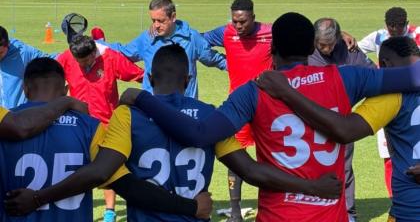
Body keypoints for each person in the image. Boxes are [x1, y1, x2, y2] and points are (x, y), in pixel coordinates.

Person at [119, 12, 420, 221]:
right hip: (330, 213)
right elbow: (413, 77)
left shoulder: (255, 92)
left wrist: (142, 97)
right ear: (312, 47)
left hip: (279, 215)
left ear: (272, 49)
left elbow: (199, 134)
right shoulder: (347, 78)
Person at [5, 45, 343, 222]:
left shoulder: (127, 115)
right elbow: (252, 172)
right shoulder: (212, 118)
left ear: (149, 78)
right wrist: (312, 186)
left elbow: (112, 177)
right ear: (188, 79)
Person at [1, 57, 213, 221]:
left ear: (25, 88)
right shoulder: (90, 128)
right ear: (66, 90)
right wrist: (190, 207)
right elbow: (124, 184)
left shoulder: (6, 127)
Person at [255, 36, 420, 222]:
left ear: (384, 63)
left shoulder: (392, 95)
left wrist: (287, 93)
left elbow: (345, 130)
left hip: (410, 211)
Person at [56, 34, 144, 220]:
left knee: (107, 169)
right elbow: (52, 78)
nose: (82, 65)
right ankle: (74, 208)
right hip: (77, 126)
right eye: (78, 62)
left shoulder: (111, 57)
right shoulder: (66, 58)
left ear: (93, 53)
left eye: (86, 60)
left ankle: (109, 212)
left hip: (106, 125)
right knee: (75, 170)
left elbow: (139, 75)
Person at [202, 0, 272, 221]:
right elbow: (198, 42)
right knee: (234, 155)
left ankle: (270, 206)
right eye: (235, 22)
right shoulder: (225, 33)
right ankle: (235, 211)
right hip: (237, 107)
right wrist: (221, 61)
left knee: (269, 157)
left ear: (253, 17)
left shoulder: (271, 32)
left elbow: (300, 39)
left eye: (243, 22)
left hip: (266, 106)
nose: (239, 26)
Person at [308, 17, 376, 221]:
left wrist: (358, 114)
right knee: (310, 171)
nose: (326, 49)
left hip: (342, 124)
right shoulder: (303, 50)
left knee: (343, 170)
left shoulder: (350, 50)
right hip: (309, 125)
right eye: (322, 45)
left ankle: (349, 214)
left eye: (330, 44)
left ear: (338, 38)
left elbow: (374, 76)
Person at [104, 0, 226, 99]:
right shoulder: (147, 39)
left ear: (173, 17)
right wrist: (97, 45)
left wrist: (240, 66)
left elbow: (213, 59)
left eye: (161, 21)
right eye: (153, 20)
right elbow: (123, 52)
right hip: (153, 110)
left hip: (184, 110)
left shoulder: (191, 38)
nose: (156, 25)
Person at [358, 6, 420, 198]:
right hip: (388, 101)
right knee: (388, 155)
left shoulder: (417, 34)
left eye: (400, 26)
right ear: (386, 25)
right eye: (392, 26)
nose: (395, 29)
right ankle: (394, 196)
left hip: (411, 100)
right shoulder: (378, 37)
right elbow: (356, 49)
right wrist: (372, 69)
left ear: (406, 24)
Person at [0, 25, 55, 109]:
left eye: (1, 53)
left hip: (16, 115)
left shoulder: (22, 52)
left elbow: (49, 60)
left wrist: (70, 54)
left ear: (8, 44)